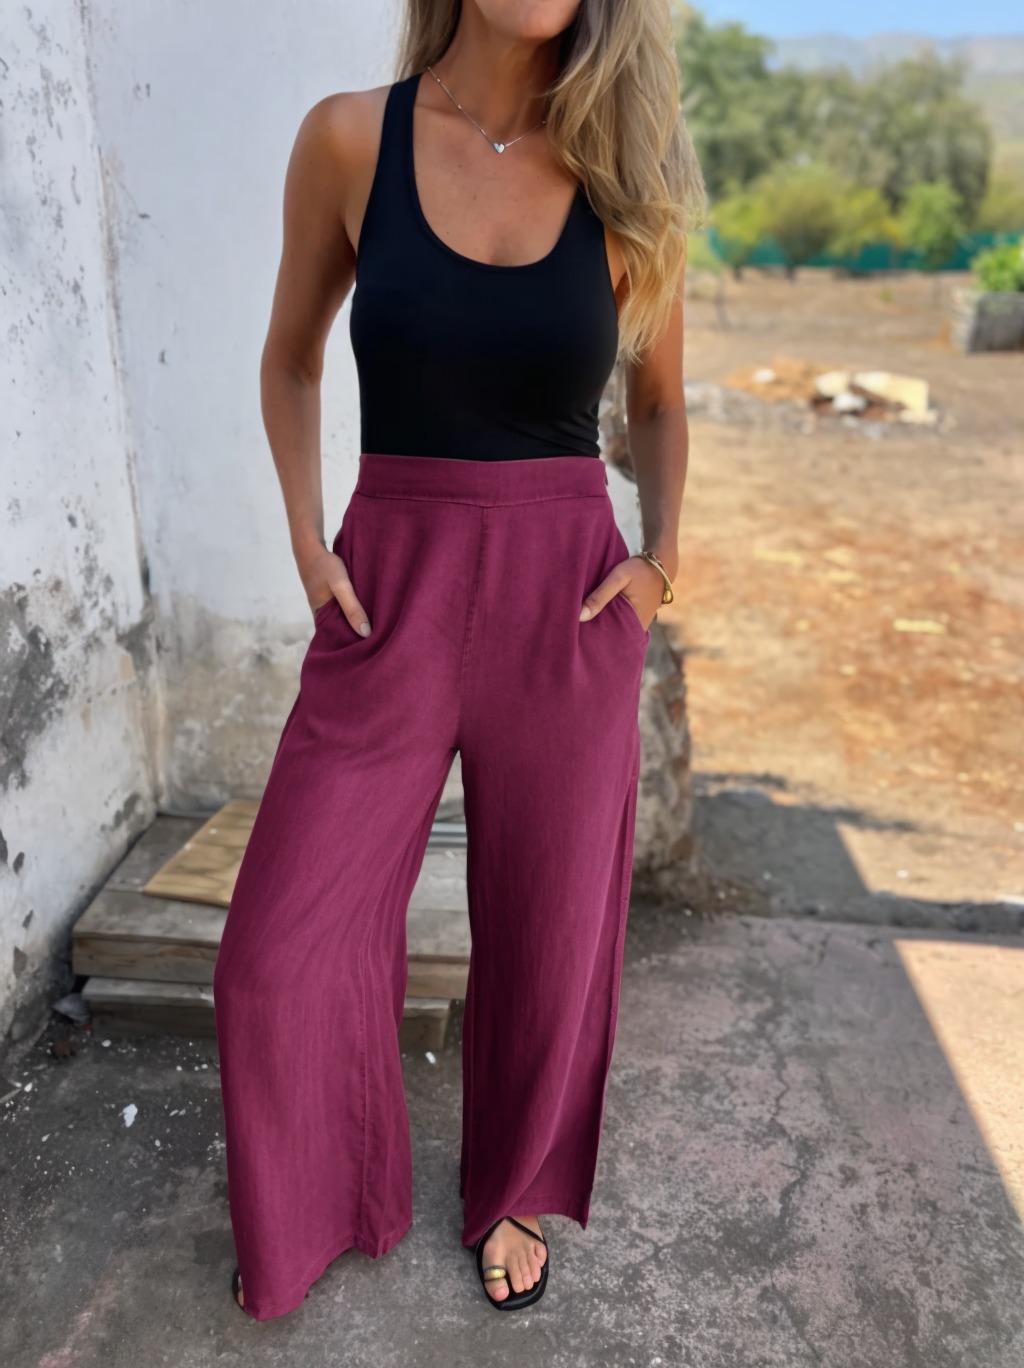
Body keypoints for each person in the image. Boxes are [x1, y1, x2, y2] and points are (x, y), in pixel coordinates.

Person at [212, 0, 704, 1322]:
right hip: (392, 588)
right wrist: (308, 540)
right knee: (273, 951)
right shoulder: (348, 141)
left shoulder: (625, 171)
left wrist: (660, 563)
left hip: (567, 602)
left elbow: (659, 400)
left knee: (551, 931)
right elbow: (290, 358)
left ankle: (514, 1187)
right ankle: (318, 1193)